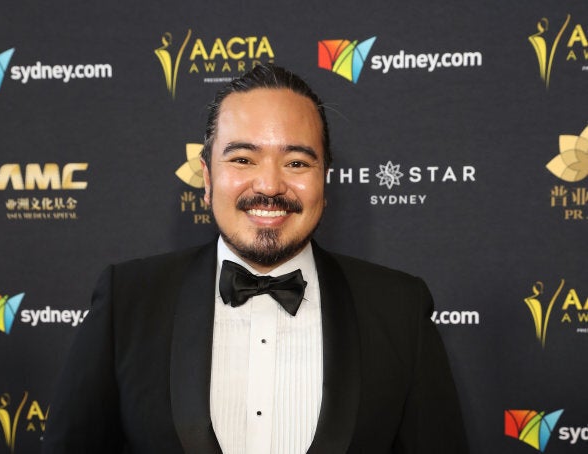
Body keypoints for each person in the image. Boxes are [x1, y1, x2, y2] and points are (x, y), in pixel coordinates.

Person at [42, 64, 468, 454]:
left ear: (325, 182)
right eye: (243, 158)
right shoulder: (128, 302)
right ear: (207, 180)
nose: (269, 184)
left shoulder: (400, 309)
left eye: (297, 162)